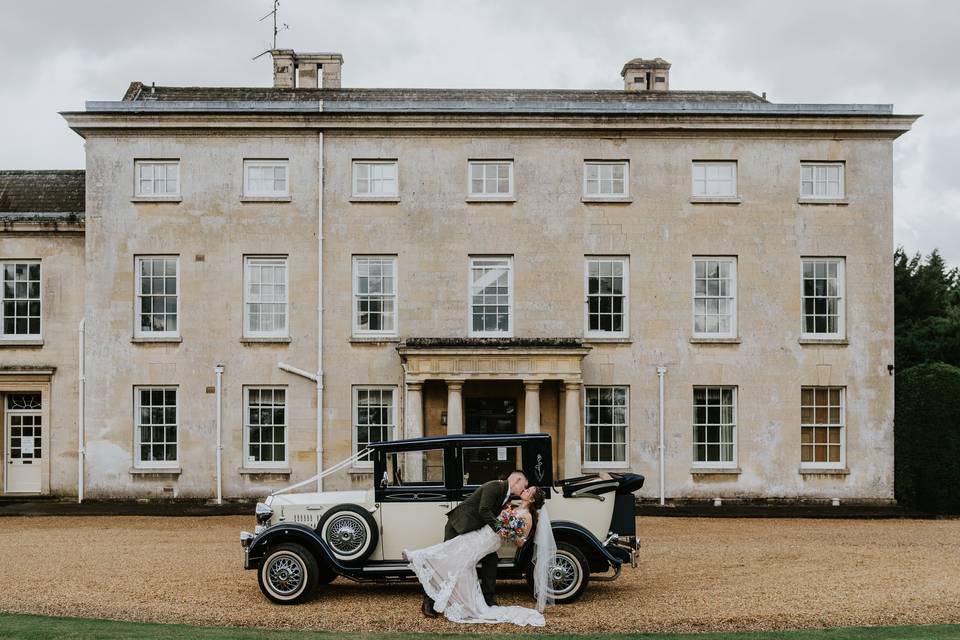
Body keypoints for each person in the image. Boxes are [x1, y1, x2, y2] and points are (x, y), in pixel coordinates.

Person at [404, 484, 555, 626]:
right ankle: (466, 604)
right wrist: (505, 525)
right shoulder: (513, 507)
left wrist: (509, 532)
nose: (525, 490)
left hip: (490, 541)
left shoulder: (527, 516)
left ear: (532, 499)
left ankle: (419, 556)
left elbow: (520, 542)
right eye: (527, 488)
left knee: (457, 553)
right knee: (460, 557)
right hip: (482, 534)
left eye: (529, 491)